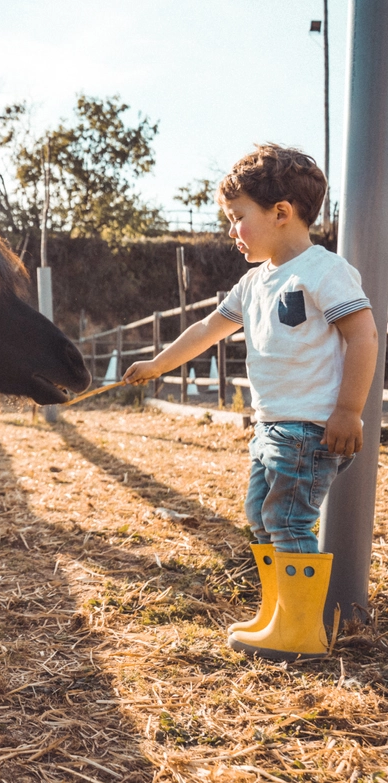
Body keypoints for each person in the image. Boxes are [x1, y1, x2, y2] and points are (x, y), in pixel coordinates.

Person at [123, 143, 378, 661]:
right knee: (262, 519)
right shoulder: (253, 282)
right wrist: (157, 365)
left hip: (309, 427)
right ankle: (279, 615)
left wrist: (349, 410)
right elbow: (205, 329)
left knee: (288, 521)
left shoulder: (322, 271)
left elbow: (364, 335)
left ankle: (303, 633)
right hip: (271, 428)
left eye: (238, 218)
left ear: (281, 213)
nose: (232, 230)